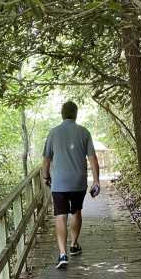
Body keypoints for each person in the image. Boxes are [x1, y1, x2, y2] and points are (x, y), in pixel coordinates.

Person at [42, 101, 100, 268]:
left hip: (59, 182)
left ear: (62, 114)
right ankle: (74, 245)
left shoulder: (53, 133)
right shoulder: (84, 132)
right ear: (75, 114)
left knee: (60, 216)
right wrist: (96, 181)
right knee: (76, 212)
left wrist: (46, 177)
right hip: (78, 181)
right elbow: (93, 159)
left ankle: (62, 254)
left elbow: (46, 160)